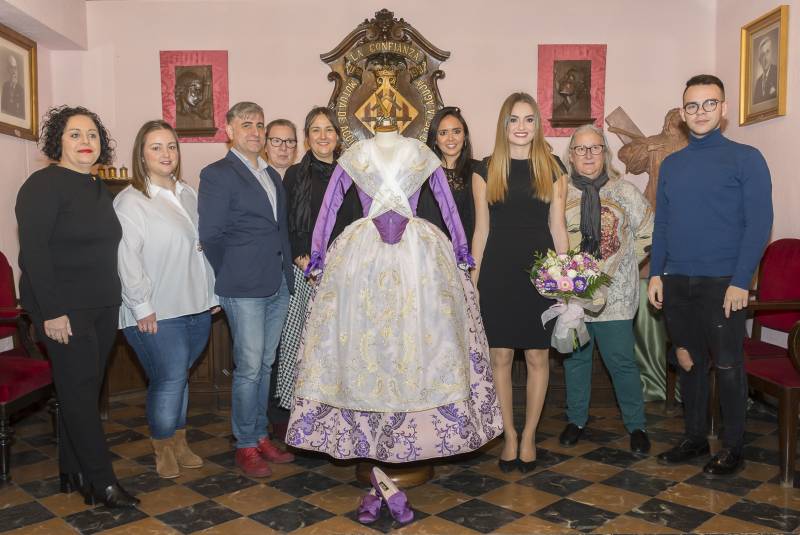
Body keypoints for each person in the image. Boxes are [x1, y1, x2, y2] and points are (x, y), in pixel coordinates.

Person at [285, 115, 502, 461]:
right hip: (362, 255)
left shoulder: (419, 153)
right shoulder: (356, 155)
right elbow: (329, 208)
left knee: (421, 337)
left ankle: (416, 434)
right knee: (365, 341)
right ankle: (366, 430)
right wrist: (318, 255)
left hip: (418, 255)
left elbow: (447, 205)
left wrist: (461, 249)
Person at [648, 74, 773, 477]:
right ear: (682, 114)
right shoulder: (672, 164)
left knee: (728, 365)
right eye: (691, 106)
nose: (699, 112)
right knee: (687, 362)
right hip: (677, 279)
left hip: (724, 282)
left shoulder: (746, 157)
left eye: (708, 104)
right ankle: (695, 437)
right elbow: (662, 223)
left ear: (723, 110)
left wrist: (742, 280)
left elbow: (759, 223)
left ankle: (733, 446)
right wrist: (655, 274)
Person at [15, 105, 138, 508]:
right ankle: (102, 483)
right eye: (75, 134)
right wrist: (50, 311)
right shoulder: (42, 185)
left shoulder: (97, 187)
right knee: (82, 397)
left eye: (92, 135)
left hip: (102, 305)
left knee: (80, 391)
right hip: (65, 310)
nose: (86, 142)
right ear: (58, 142)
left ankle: (72, 469)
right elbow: (33, 255)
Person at [115, 120, 217, 479]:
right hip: (156, 311)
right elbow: (127, 259)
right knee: (170, 378)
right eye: (156, 147)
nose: (165, 154)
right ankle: (162, 448)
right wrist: (141, 306)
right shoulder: (131, 201)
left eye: (171, 146)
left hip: (194, 304)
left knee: (180, 378)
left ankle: (180, 441)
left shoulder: (188, 193)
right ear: (141, 154)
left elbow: (198, 250)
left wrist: (211, 293)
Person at [472, 92, 568, 472]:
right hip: (497, 269)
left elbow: (557, 226)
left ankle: (529, 435)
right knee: (499, 356)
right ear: (504, 124)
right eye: (514, 119)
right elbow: (481, 231)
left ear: (537, 125)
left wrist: (566, 280)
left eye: (529, 119)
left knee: (537, 355)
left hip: (540, 270)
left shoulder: (554, 167)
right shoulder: (486, 168)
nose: (522, 126)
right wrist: (473, 283)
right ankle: (508, 434)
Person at [198, 102, 295, 477]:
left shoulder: (270, 174)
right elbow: (211, 234)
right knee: (250, 367)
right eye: (246, 125)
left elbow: (278, 229)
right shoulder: (218, 174)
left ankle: (260, 436)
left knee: (266, 364)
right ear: (229, 130)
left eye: (259, 124)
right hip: (243, 287)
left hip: (277, 284)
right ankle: (244, 445)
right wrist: (231, 275)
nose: (255, 131)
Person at [560, 124, 653, 453]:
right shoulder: (560, 194)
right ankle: (576, 420)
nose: (588, 154)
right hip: (574, 297)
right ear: (571, 156)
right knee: (576, 361)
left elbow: (648, 232)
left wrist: (625, 262)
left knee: (621, 362)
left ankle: (636, 425)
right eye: (581, 149)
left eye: (595, 147)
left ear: (605, 152)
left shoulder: (625, 192)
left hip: (616, 296)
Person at [276, 106, 360, 410]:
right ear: (307, 137)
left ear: (338, 136)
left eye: (329, 129)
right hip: (304, 271)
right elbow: (288, 223)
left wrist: (339, 265)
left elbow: (358, 223)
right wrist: (304, 260)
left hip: (343, 272)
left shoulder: (353, 173)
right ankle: (297, 410)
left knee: (338, 344)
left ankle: (337, 408)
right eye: (316, 130)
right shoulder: (295, 174)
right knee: (302, 342)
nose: (323, 136)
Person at [417, 106, 477, 244]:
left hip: (470, 258)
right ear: (435, 140)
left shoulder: (479, 171)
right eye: (443, 133)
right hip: (432, 257)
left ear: (465, 136)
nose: (451, 138)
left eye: (456, 131)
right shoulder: (423, 176)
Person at [753, 37, 778, 104]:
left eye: (768, 52)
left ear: (771, 53)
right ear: (759, 60)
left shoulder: (777, 73)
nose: (765, 57)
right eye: (762, 54)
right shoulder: (758, 82)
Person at [1, 54, 24, 118]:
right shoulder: (5, 85)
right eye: (11, 68)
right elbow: (3, 105)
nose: (14, 71)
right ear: (8, 70)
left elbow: (21, 110)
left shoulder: (20, 89)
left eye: (15, 68)